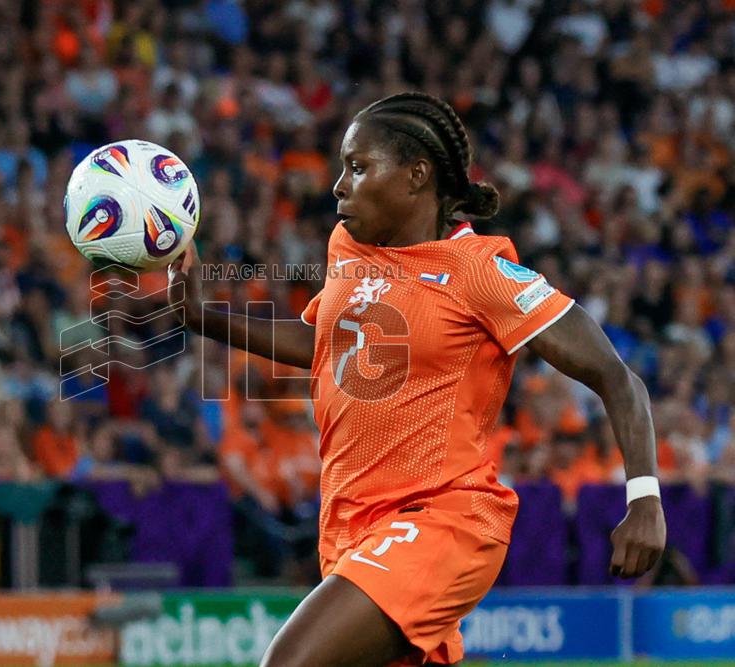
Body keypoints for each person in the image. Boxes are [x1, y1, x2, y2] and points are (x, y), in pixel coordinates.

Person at [168, 91, 667, 666]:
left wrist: (645, 498)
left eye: (358, 167)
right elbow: (327, 346)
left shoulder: (482, 273)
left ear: (416, 176)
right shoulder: (348, 251)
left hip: (443, 520)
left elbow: (615, 375)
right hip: (350, 523)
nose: (338, 186)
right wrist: (200, 315)